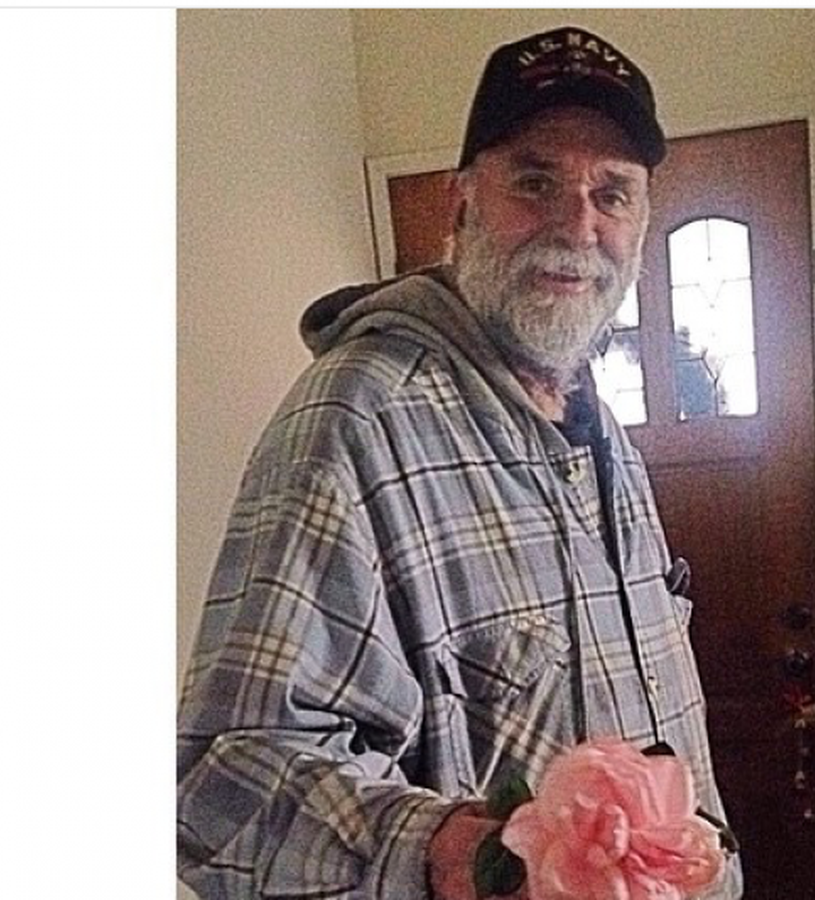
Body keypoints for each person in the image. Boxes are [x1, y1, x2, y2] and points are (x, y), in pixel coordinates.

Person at [177, 26, 743, 900]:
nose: (578, 225)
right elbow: (223, 786)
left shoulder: (596, 428)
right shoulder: (359, 418)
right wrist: (453, 853)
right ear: (462, 203)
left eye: (612, 193)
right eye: (534, 181)